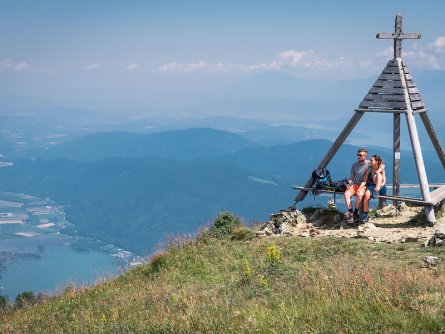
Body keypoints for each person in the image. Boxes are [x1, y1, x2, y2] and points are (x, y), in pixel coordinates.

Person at [344, 148, 370, 224]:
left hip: (365, 185)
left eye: (360, 155)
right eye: (357, 155)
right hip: (355, 184)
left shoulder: (369, 164)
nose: (358, 156)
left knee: (360, 194)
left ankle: (356, 212)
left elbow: (381, 165)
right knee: (346, 194)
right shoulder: (354, 165)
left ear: (365, 156)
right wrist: (348, 182)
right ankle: (351, 213)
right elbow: (352, 177)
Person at [361, 155, 387, 222]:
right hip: (372, 186)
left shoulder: (381, 169)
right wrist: (360, 187)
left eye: (372, 160)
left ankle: (376, 190)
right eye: (370, 160)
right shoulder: (369, 169)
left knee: (378, 174)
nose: (370, 161)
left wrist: (380, 186)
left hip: (381, 187)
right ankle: (365, 214)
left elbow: (384, 181)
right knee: (366, 195)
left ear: (376, 161)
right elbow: (365, 180)